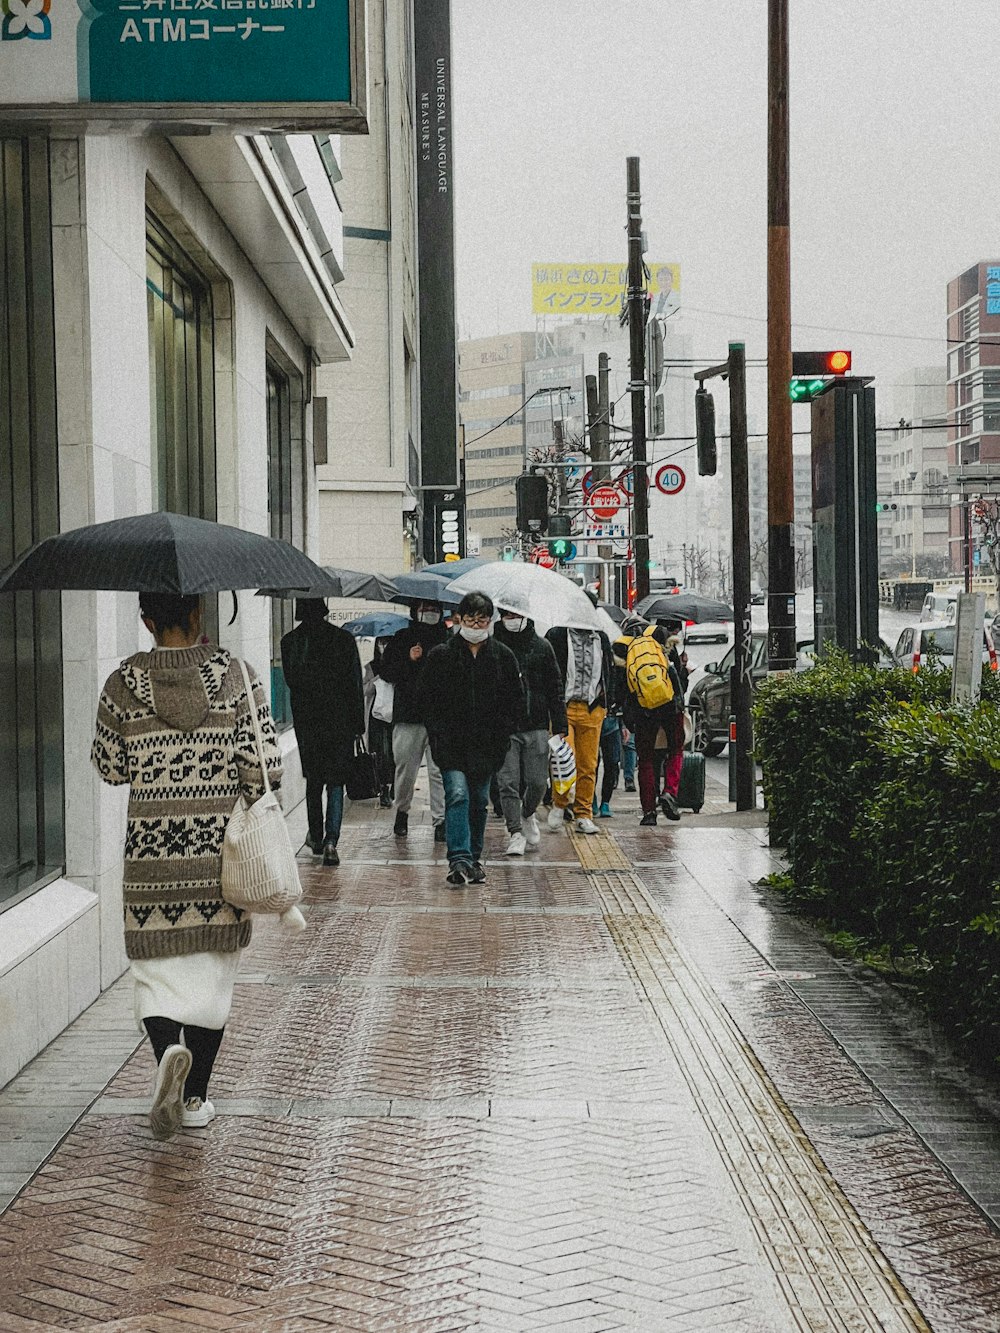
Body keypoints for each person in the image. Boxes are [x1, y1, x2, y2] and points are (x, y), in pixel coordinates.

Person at [91, 592, 282, 1141]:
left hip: (151, 856)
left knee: (155, 977)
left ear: (146, 621)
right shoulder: (237, 677)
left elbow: (108, 766)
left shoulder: (122, 683)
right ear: (199, 615)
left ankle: (166, 1054)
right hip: (218, 858)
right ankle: (195, 1095)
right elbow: (264, 768)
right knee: (211, 983)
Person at [419, 591, 524, 885]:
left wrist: (503, 737)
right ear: (459, 620)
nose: (476, 626)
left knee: (479, 802)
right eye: (470, 619)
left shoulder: (503, 657)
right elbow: (427, 700)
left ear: (490, 621)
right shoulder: (442, 655)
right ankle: (459, 858)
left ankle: (473, 858)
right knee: (457, 794)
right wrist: (436, 734)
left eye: (482, 620)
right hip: (451, 745)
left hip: (487, 747)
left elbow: (515, 702)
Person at [281, 598, 364, 867]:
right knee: (336, 782)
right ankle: (331, 840)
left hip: (308, 723)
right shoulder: (343, 640)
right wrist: (358, 725)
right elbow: (354, 684)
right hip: (339, 722)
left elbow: (291, 682)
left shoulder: (290, 642)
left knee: (314, 782)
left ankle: (316, 837)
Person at [493, 605, 567, 855]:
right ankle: (514, 831)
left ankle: (527, 813)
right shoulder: (493, 647)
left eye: (515, 615)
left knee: (537, 782)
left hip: (536, 724)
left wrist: (559, 724)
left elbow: (555, 687)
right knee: (507, 781)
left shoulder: (542, 647)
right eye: (507, 616)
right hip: (504, 726)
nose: (511, 620)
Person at [378, 599, 449, 840]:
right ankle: (402, 812)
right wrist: (408, 658)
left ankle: (440, 821)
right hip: (408, 716)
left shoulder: (448, 639)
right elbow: (386, 672)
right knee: (405, 770)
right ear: (415, 611)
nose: (430, 614)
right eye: (425, 609)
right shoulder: (402, 638)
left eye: (434, 610)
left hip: (439, 717)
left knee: (439, 771)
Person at [544, 616, 615, 835]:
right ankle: (560, 802)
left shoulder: (601, 638)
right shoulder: (557, 635)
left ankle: (584, 814)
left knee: (589, 764)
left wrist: (606, 700)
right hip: (564, 708)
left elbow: (608, 670)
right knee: (564, 760)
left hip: (592, 709)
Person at [620, 623, 684, 826]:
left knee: (646, 759)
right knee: (676, 749)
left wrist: (628, 719)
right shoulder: (660, 635)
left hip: (643, 708)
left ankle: (649, 812)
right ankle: (669, 792)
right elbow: (675, 672)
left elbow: (625, 684)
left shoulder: (626, 646)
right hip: (669, 704)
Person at [364, 636, 396, 808]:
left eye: (387, 643)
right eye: (381, 643)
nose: (383, 646)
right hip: (376, 714)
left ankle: (394, 784)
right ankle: (382, 787)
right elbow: (365, 690)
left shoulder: (398, 664)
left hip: (394, 713)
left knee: (393, 750)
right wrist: (375, 681)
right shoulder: (372, 666)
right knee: (378, 751)